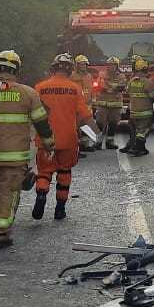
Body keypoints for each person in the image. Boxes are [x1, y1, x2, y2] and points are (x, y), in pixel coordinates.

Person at [0, 50, 54, 247]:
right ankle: (0, 232)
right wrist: (50, 143)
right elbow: (41, 122)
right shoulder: (28, 93)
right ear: (16, 70)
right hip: (14, 158)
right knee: (9, 194)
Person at [33, 54, 99, 220]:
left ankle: (41, 196)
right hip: (68, 140)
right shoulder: (74, 88)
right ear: (70, 70)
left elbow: (32, 114)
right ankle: (60, 209)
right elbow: (85, 115)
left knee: (44, 173)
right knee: (64, 173)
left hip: (45, 139)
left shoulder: (39, 87)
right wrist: (97, 133)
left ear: (53, 68)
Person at [120, 56, 154, 157]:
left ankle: (139, 148)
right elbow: (152, 96)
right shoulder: (147, 82)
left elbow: (127, 92)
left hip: (133, 113)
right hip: (145, 112)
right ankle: (138, 148)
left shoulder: (131, 81)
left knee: (135, 131)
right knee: (144, 130)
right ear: (145, 69)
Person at [93, 56, 126, 150]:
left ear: (117, 66)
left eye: (113, 65)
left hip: (116, 103)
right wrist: (112, 86)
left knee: (114, 122)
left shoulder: (121, 76)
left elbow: (122, 86)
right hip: (103, 103)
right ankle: (98, 141)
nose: (112, 67)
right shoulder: (102, 74)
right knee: (99, 122)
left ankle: (110, 141)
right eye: (110, 65)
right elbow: (100, 84)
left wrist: (110, 86)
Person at [70, 55, 97, 153]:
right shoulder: (72, 76)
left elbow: (92, 89)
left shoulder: (89, 76)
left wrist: (93, 99)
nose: (83, 66)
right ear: (76, 65)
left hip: (87, 105)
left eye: (84, 64)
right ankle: (77, 147)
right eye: (81, 64)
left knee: (85, 125)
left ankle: (85, 145)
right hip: (75, 105)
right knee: (75, 126)